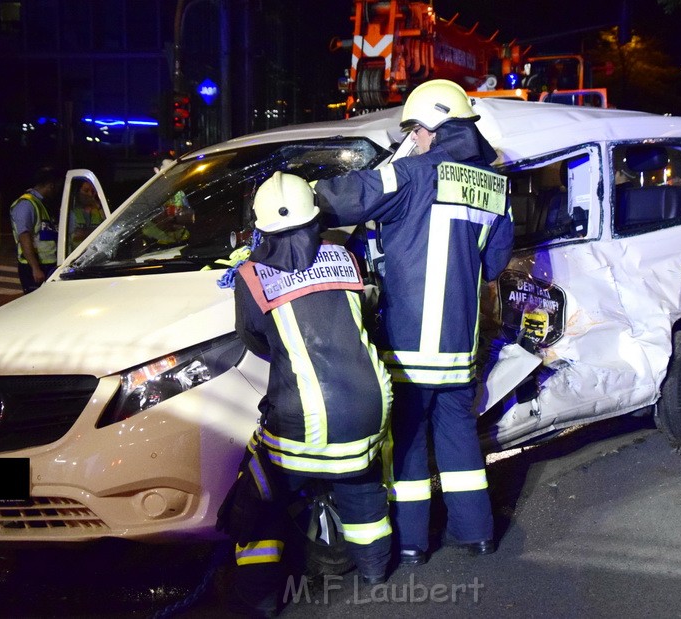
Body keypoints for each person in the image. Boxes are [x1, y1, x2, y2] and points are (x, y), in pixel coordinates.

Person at [313, 79, 515, 566]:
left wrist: (292, 194)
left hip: (410, 346)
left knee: (406, 446)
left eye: (416, 131)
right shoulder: (495, 186)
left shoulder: (412, 173)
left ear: (429, 128)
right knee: (458, 436)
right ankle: (478, 533)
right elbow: (494, 263)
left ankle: (410, 543)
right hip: (460, 345)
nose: (415, 140)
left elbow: (344, 199)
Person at [219, 171, 393, 615]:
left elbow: (253, 339)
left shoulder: (252, 277)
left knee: (261, 498)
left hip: (304, 421)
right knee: (362, 487)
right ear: (316, 219)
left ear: (261, 227)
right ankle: (375, 571)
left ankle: (260, 597)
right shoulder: (346, 259)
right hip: (370, 408)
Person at [10, 166, 60, 294]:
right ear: (50, 185)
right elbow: (24, 236)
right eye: (55, 186)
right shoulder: (26, 204)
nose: (56, 190)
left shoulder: (41, 204)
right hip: (35, 266)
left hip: (48, 265)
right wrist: (35, 268)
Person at [67, 180, 104, 250]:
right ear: (77, 193)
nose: (90, 194)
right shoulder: (72, 213)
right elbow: (76, 235)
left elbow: (110, 226)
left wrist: (98, 206)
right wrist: (100, 231)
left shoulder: (99, 211)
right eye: (86, 191)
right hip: (77, 256)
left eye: (93, 191)